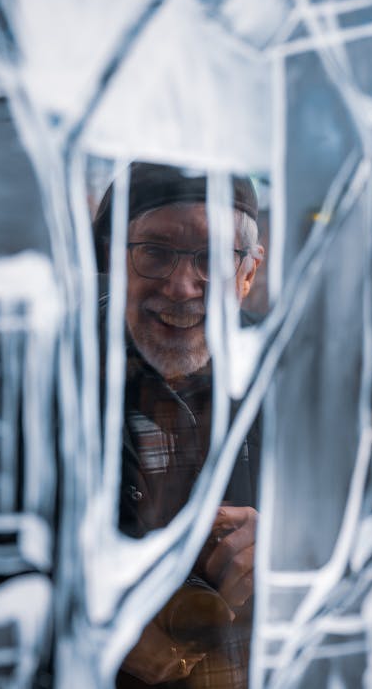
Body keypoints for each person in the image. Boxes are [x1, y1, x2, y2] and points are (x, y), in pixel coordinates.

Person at [91, 162, 264, 689]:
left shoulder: (292, 379)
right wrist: (82, 620)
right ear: (117, 263)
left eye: (211, 258)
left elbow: (367, 536)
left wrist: (292, 550)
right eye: (155, 252)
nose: (182, 285)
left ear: (248, 274)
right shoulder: (17, 381)